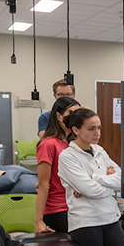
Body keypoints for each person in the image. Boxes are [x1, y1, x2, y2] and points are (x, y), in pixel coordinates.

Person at [57, 108, 124, 246]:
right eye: (91, 129)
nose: (97, 133)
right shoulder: (67, 157)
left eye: (99, 127)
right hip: (86, 222)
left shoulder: (100, 151)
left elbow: (123, 179)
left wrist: (97, 178)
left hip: (111, 217)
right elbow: (90, 190)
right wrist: (108, 182)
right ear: (76, 130)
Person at [35, 96, 81, 234]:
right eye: (71, 114)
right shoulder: (48, 144)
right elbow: (43, 185)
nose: (75, 119)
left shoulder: (74, 143)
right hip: (58, 208)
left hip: (75, 204)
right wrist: (38, 221)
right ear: (59, 116)